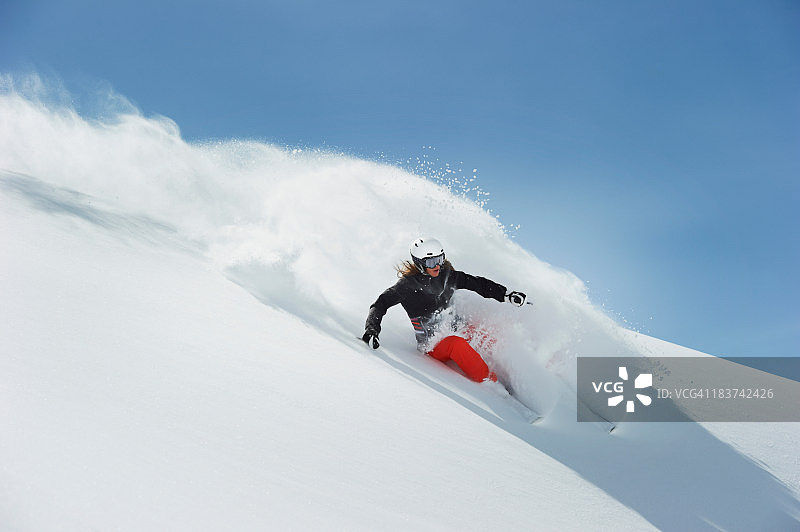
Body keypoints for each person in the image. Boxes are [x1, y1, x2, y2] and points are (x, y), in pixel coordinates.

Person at [362, 237, 528, 383]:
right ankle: (491, 384)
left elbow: (478, 284)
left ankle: (512, 374)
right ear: (419, 264)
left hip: (456, 327)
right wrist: (372, 329)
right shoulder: (407, 286)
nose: (438, 265)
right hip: (433, 344)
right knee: (457, 344)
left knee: (483, 332)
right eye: (431, 262)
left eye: (440, 259)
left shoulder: (447, 276)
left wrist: (506, 294)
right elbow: (380, 304)